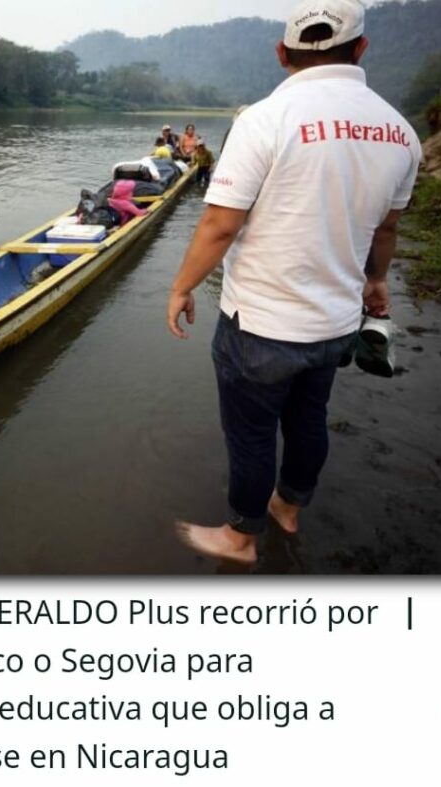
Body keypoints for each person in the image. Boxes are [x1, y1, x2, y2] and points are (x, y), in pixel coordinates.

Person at [166, 0, 421, 565]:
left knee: (251, 434)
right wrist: (377, 281)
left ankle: (240, 538)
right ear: (361, 49)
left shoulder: (263, 119)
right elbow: (386, 228)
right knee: (308, 421)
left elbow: (220, 223)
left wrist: (182, 287)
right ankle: (287, 508)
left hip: (261, 324)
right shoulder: (401, 132)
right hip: (335, 324)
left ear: (283, 54)